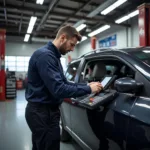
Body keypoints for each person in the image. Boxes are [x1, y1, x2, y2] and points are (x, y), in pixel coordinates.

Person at [25, 25, 103, 150]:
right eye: (71, 44)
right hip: (42, 114)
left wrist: (86, 85)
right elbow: (59, 89)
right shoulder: (46, 56)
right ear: (62, 38)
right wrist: (88, 90)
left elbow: (64, 83)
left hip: (46, 112)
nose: (72, 49)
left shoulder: (53, 57)